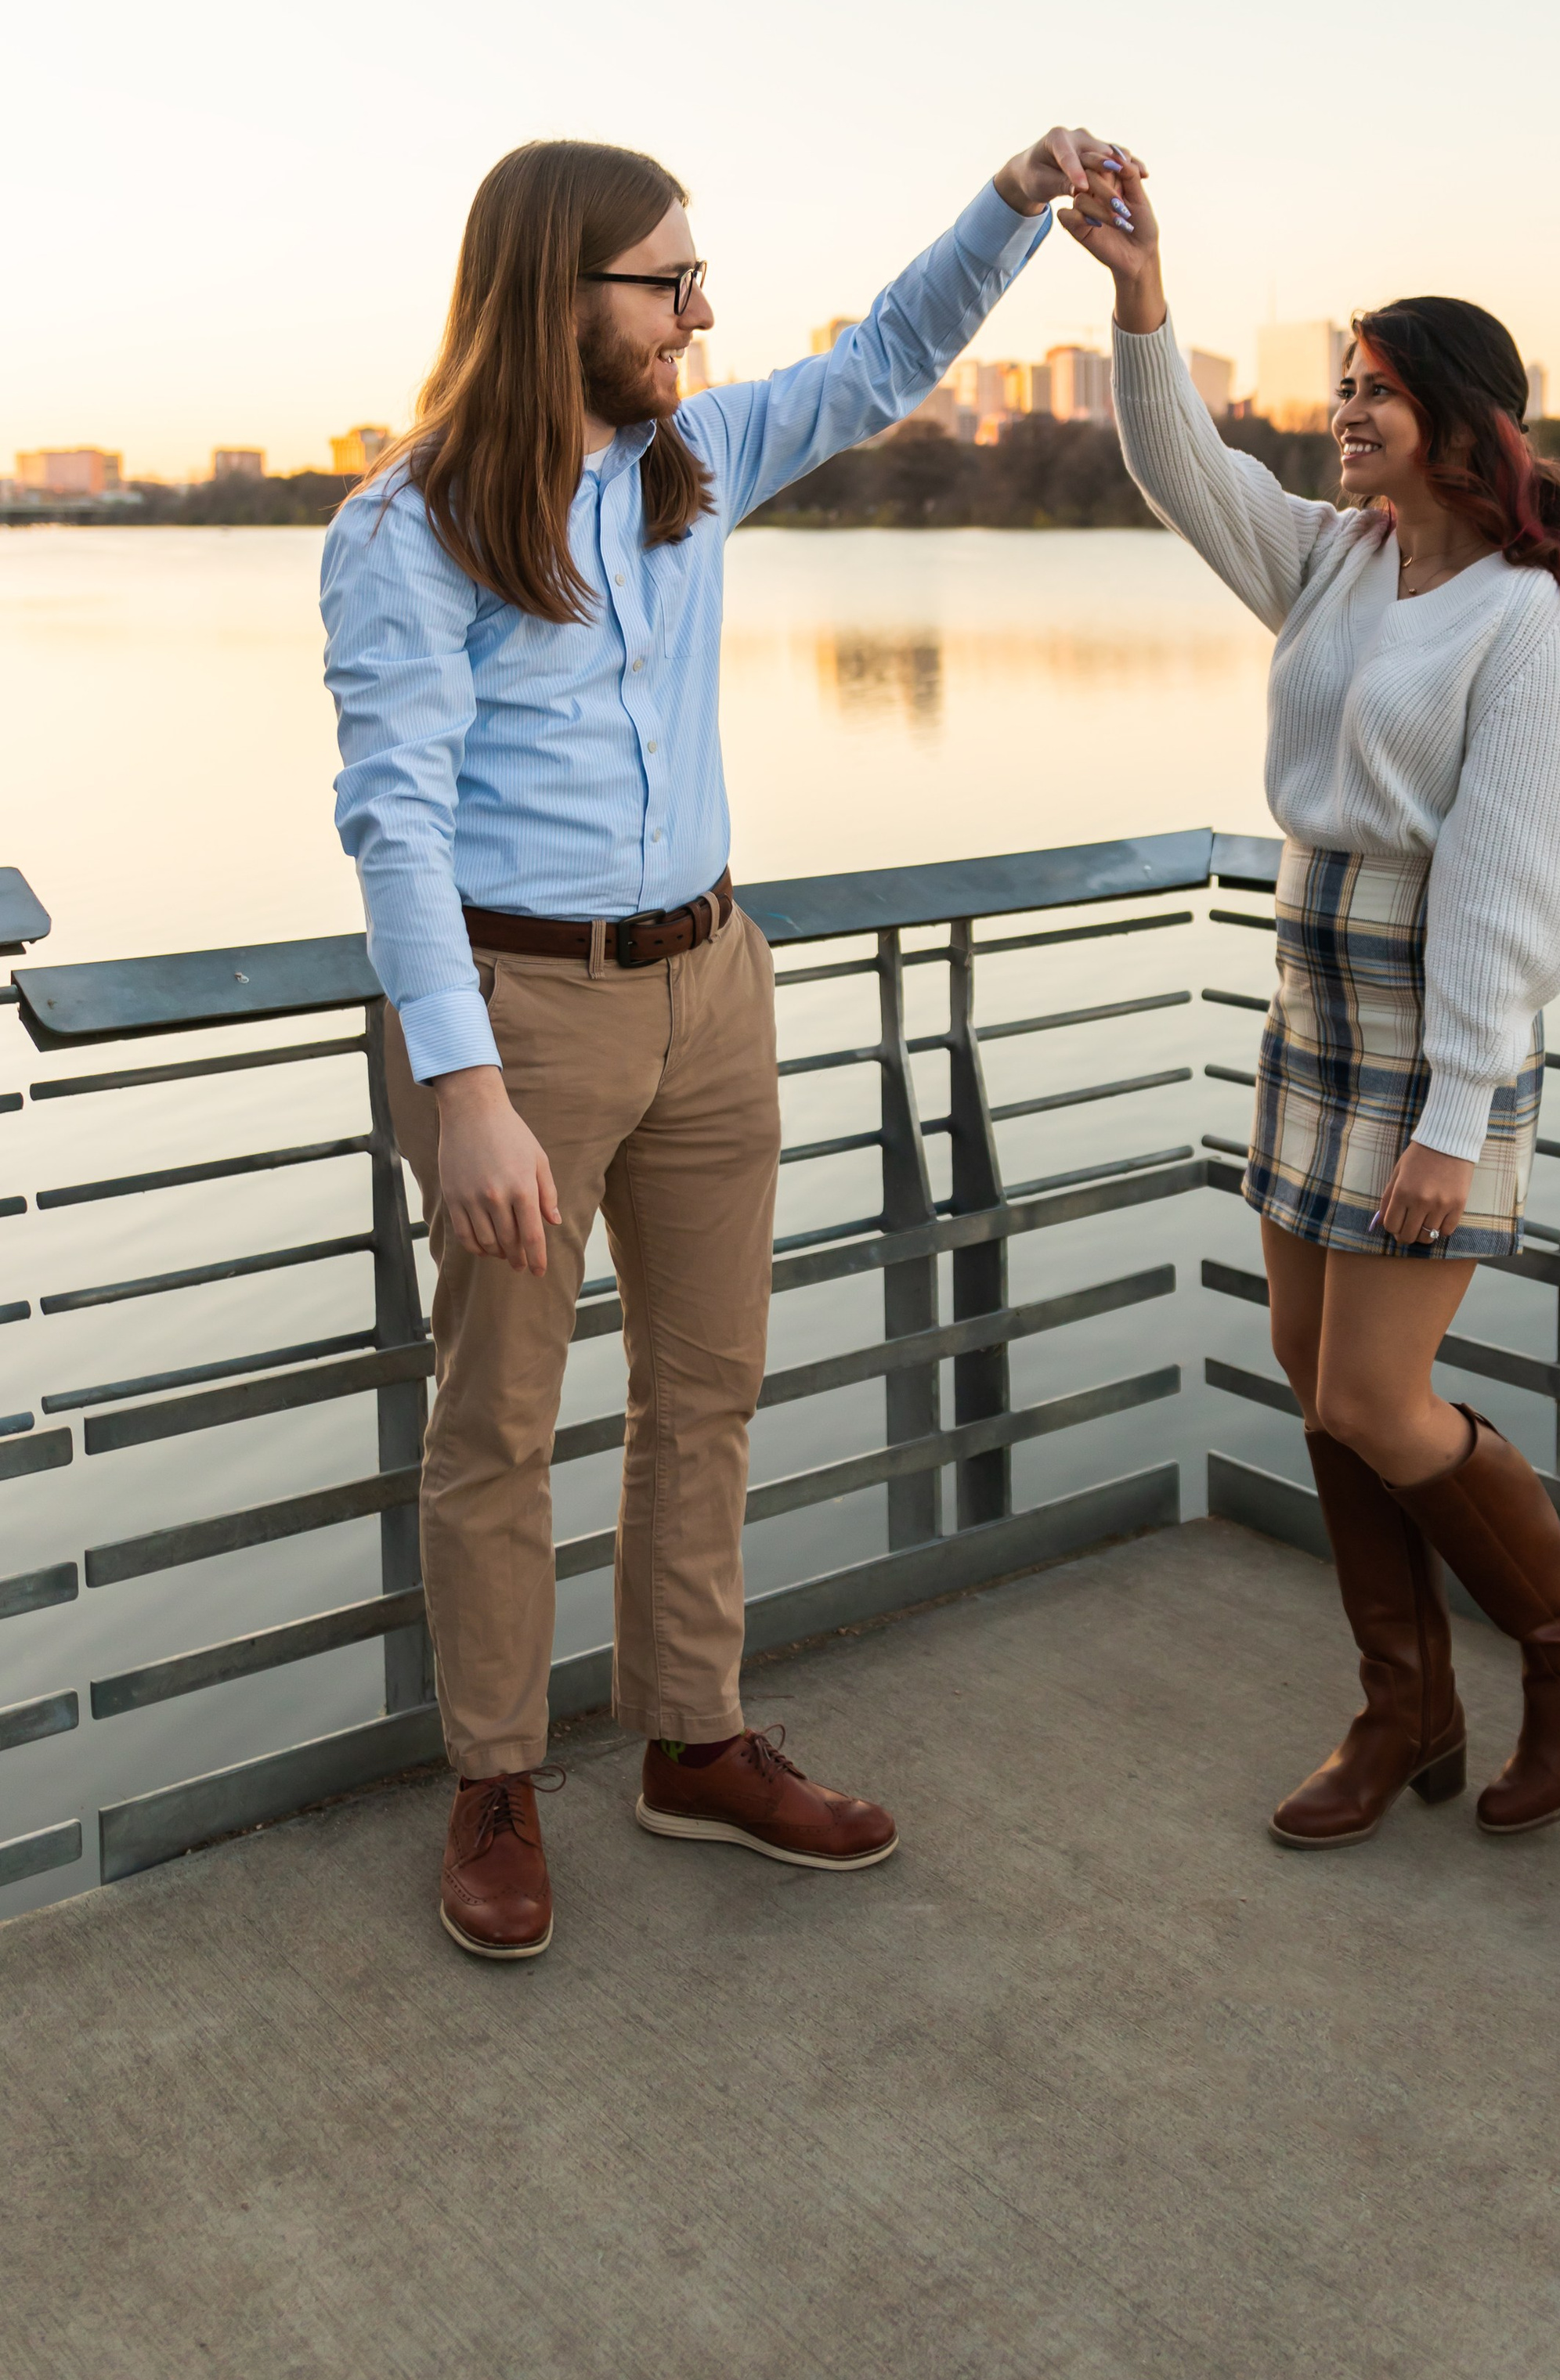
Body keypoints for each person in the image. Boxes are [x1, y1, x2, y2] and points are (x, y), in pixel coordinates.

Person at [323, 125, 1120, 1958]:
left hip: (713, 983)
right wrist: (463, 1090)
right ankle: (497, 1781)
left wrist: (1008, 209)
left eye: (699, 279)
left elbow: (877, 363)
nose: (701, 313)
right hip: (516, 1021)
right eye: (667, 282)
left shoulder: (689, 464)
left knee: (707, 1395)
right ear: (557, 293)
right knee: (497, 1423)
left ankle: (690, 1739)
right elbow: (397, 824)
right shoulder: (404, 530)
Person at [1060, 152, 1560, 1844]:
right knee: (1301, 1359)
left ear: (1459, 418)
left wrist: (1458, 1102)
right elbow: (1179, 469)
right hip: (1307, 991)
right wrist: (1140, 304)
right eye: (1338, 386)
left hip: (1430, 1020)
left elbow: (1499, 878)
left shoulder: (1516, 622)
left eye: (1377, 391)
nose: (1342, 411)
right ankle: (1398, 1706)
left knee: (1372, 1398)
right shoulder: (1331, 561)